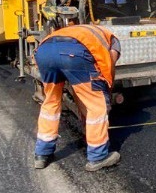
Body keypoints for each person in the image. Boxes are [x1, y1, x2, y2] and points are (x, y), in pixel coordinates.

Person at [33, 23, 122, 171]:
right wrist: (106, 91)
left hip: (44, 52)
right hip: (73, 54)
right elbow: (109, 65)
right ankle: (98, 157)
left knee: (51, 102)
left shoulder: (86, 31)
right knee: (96, 105)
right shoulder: (114, 41)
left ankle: (42, 154)